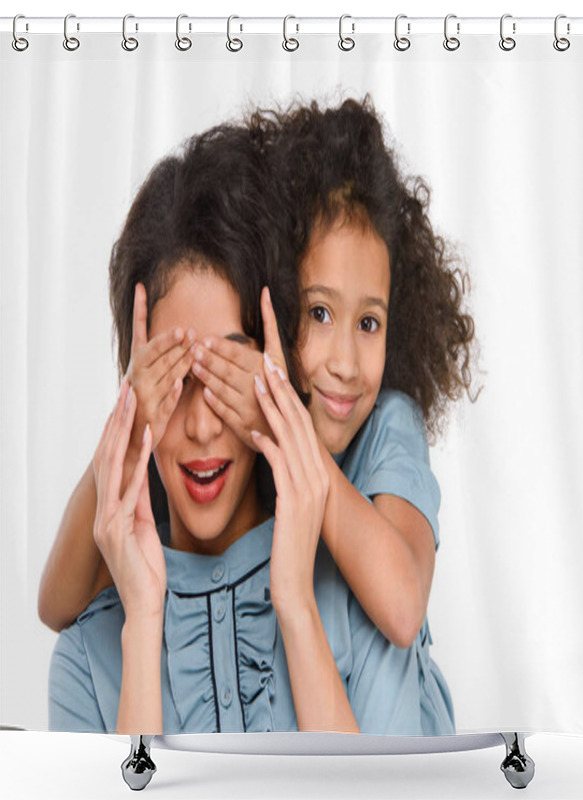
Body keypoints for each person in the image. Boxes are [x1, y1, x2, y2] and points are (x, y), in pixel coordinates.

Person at [48, 119, 456, 735]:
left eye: (227, 375)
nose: (207, 424)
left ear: (276, 369)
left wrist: (292, 593)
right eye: (174, 377)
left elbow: (400, 610)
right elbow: (56, 603)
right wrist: (128, 435)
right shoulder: (85, 658)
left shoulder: (355, 586)